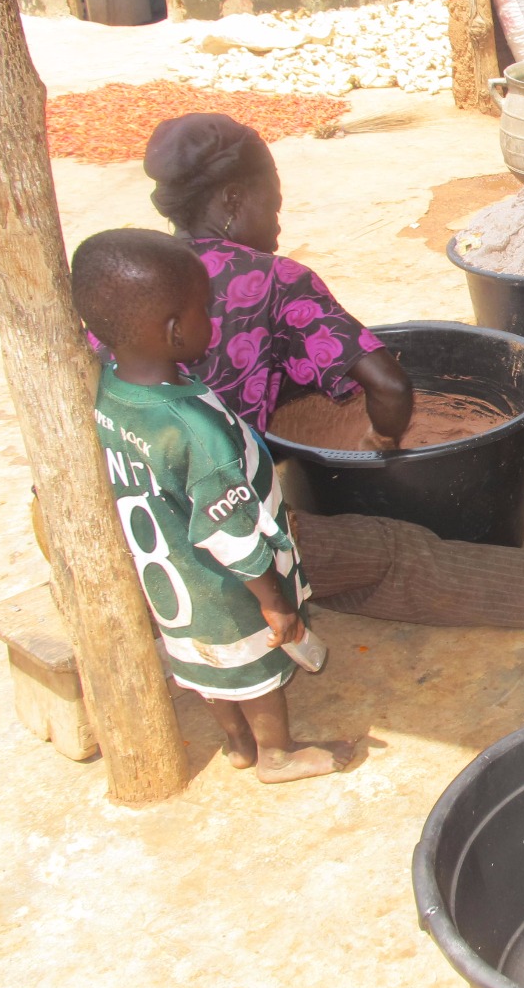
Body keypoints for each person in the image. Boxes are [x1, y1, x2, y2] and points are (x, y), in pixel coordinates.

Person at [133, 112, 524, 626]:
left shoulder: (132, 280)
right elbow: (389, 383)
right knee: (396, 554)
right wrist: (383, 434)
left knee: (344, 576)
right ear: (232, 199)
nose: (278, 223)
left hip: (138, 520)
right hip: (216, 530)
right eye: (272, 204)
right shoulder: (271, 280)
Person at [73, 228, 355, 784]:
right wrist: (272, 599)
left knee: (204, 666)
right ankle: (276, 753)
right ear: (175, 330)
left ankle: (237, 745)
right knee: (257, 666)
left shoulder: (112, 392)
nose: (213, 319)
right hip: (224, 587)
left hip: (169, 583)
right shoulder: (194, 433)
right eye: (205, 310)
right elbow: (231, 531)